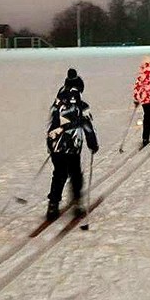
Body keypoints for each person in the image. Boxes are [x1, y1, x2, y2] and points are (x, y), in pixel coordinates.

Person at [45, 85, 98, 223]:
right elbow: (87, 127)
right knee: (75, 175)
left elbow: (52, 125)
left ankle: (52, 205)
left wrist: (50, 145)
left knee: (59, 174)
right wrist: (92, 143)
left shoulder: (56, 106)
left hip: (56, 146)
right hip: (72, 148)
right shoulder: (82, 106)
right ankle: (77, 203)